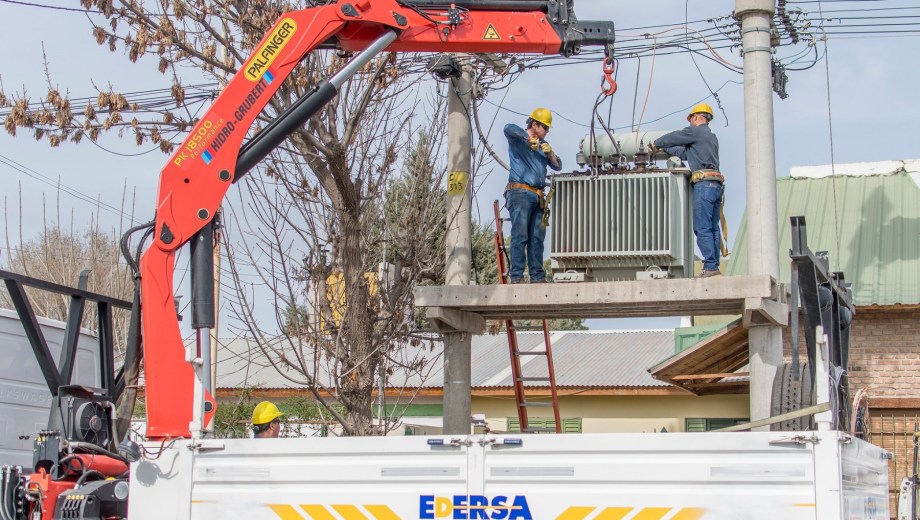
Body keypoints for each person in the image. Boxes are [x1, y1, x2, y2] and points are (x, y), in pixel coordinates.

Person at [649, 103, 723, 278]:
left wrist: (656, 143)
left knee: (702, 227)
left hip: (704, 185)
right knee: (712, 228)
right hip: (716, 184)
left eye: (691, 119)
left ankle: (710, 267)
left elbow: (676, 136)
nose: (690, 123)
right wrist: (665, 148)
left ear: (696, 117)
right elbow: (684, 153)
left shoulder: (696, 131)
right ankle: (713, 265)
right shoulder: (710, 137)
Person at [503, 108, 562, 284]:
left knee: (537, 238)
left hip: (538, 196)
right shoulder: (518, 139)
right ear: (534, 124)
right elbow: (508, 127)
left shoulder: (543, 147)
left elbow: (558, 166)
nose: (547, 131)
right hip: (520, 193)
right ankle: (517, 276)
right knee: (520, 235)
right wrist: (527, 139)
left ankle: (537, 276)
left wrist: (550, 154)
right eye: (544, 127)